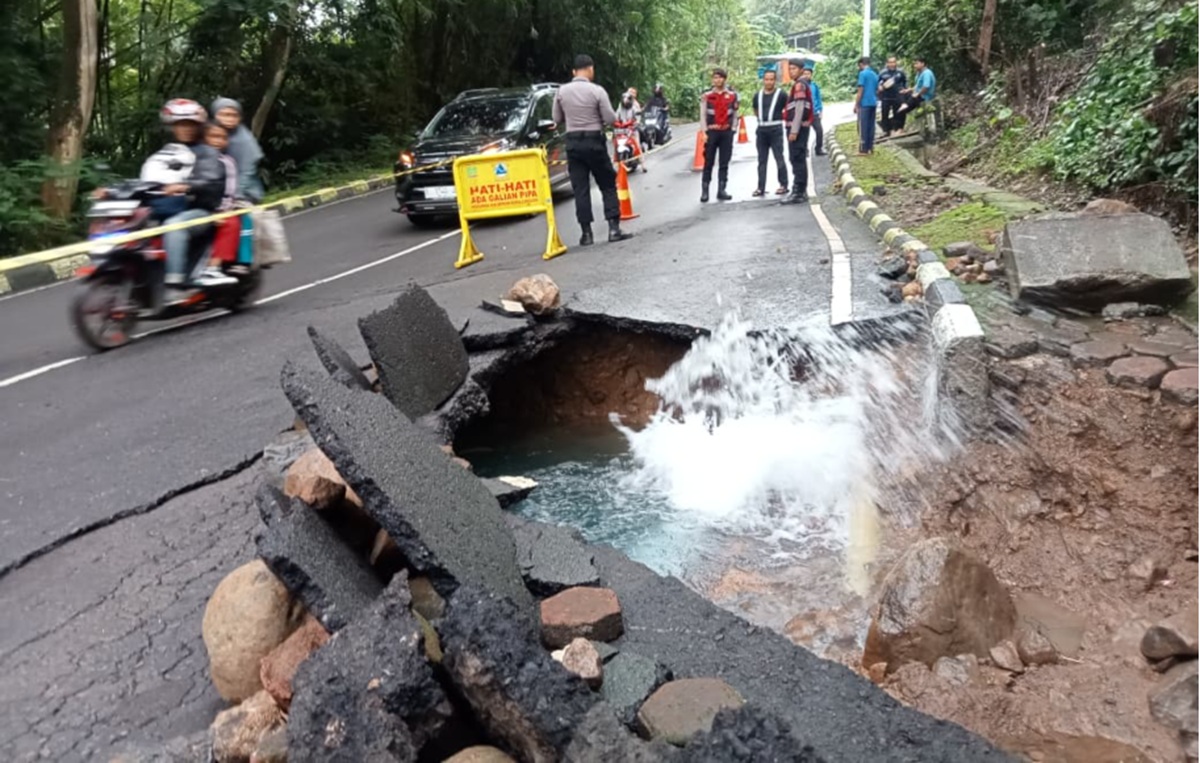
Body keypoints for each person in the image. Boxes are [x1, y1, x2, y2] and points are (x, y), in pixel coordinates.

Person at [552, 53, 633, 245]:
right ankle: (613, 229)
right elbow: (611, 119)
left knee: (580, 188)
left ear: (574, 71)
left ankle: (586, 234)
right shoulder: (597, 91)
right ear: (590, 69)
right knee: (607, 184)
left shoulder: (561, 92)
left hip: (573, 143)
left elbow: (556, 119)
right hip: (594, 142)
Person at [153, 99, 229, 287]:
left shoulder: (207, 153)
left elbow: (210, 178)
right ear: (172, 127)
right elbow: (150, 176)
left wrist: (186, 186)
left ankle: (176, 281)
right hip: (169, 207)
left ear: (199, 127)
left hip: (200, 209)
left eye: (190, 125)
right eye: (180, 124)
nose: (185, 129)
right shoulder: (168, 152)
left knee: (174, 226)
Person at [211, 97, 264, 203]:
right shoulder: (211, 133)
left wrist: (236, 195)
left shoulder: (244, 139)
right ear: (215, 115)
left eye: (234, 115)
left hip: (245, 193)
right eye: (225, 115)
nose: (230, 119)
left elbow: (246, 171)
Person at [699, 67, 739, 203]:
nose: (718, 80)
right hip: (712, 131)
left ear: (724, 79)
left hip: (726, 132)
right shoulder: (706, 96)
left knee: (724, 162)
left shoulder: (732, 96)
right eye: (715, 78)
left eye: (720, 77)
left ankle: (722, 189)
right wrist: (704, 131)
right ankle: (705, 190)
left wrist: (733, 129)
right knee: (708, 161)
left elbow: (734, 114)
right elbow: (703, 115)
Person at [781, 58, 814, 205]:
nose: (791, 71)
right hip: (800, 127)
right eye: (790, 69)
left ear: (801, 70)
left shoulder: (800, 85)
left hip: (798, 128)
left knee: (797, 158)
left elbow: (800, 108)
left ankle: (798, 191)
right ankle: (801, 190)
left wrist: (794, 130)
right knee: (797, 158)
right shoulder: (800, 84)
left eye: (794, 69)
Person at [751, 68, 788, 197]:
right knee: (762, 160)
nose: (769, 82)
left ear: (775, 80)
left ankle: (783, 185)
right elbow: (755, 110)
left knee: (779, 157)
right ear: (763, 80)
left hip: (776, 129)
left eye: (771, 79)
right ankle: (760, 187)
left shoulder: (781, 94)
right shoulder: (758, 95)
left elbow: (787, 109)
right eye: (766, 79)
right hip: (761, 130)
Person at [854, 56, 880, 155]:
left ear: (861, 64)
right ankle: (870, 147)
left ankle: (863, 149)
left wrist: (856, 104)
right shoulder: (874, 74)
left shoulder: (862, 74)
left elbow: (860, 90)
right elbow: (877, 90)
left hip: (864, 103)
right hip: (873, 102)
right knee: (871, 126)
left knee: (862, 126)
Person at [877, 56, 908, 136]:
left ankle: (897, 129)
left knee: (898, 113)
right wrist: (879, 87)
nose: (892, 64)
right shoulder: (882, 73)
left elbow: (904, 83)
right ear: (887, 63)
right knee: (884, 113)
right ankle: (886, 130)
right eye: (890, 62)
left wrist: (904, 92)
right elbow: (877, 83)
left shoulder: (900, 72)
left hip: (897, 96)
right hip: (886, 97)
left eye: (894, 62)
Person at [805, 63, 825, 156]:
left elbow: (818, 98)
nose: (806, 75)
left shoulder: (814, 86)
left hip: (814, 113)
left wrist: (820, 110)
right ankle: (805, 150)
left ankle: (819, 148)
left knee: (819, 131)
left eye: (808, 74)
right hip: (804, 114)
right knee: (805, 133)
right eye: (804, 73)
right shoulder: (800, 86)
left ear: (811, 75)